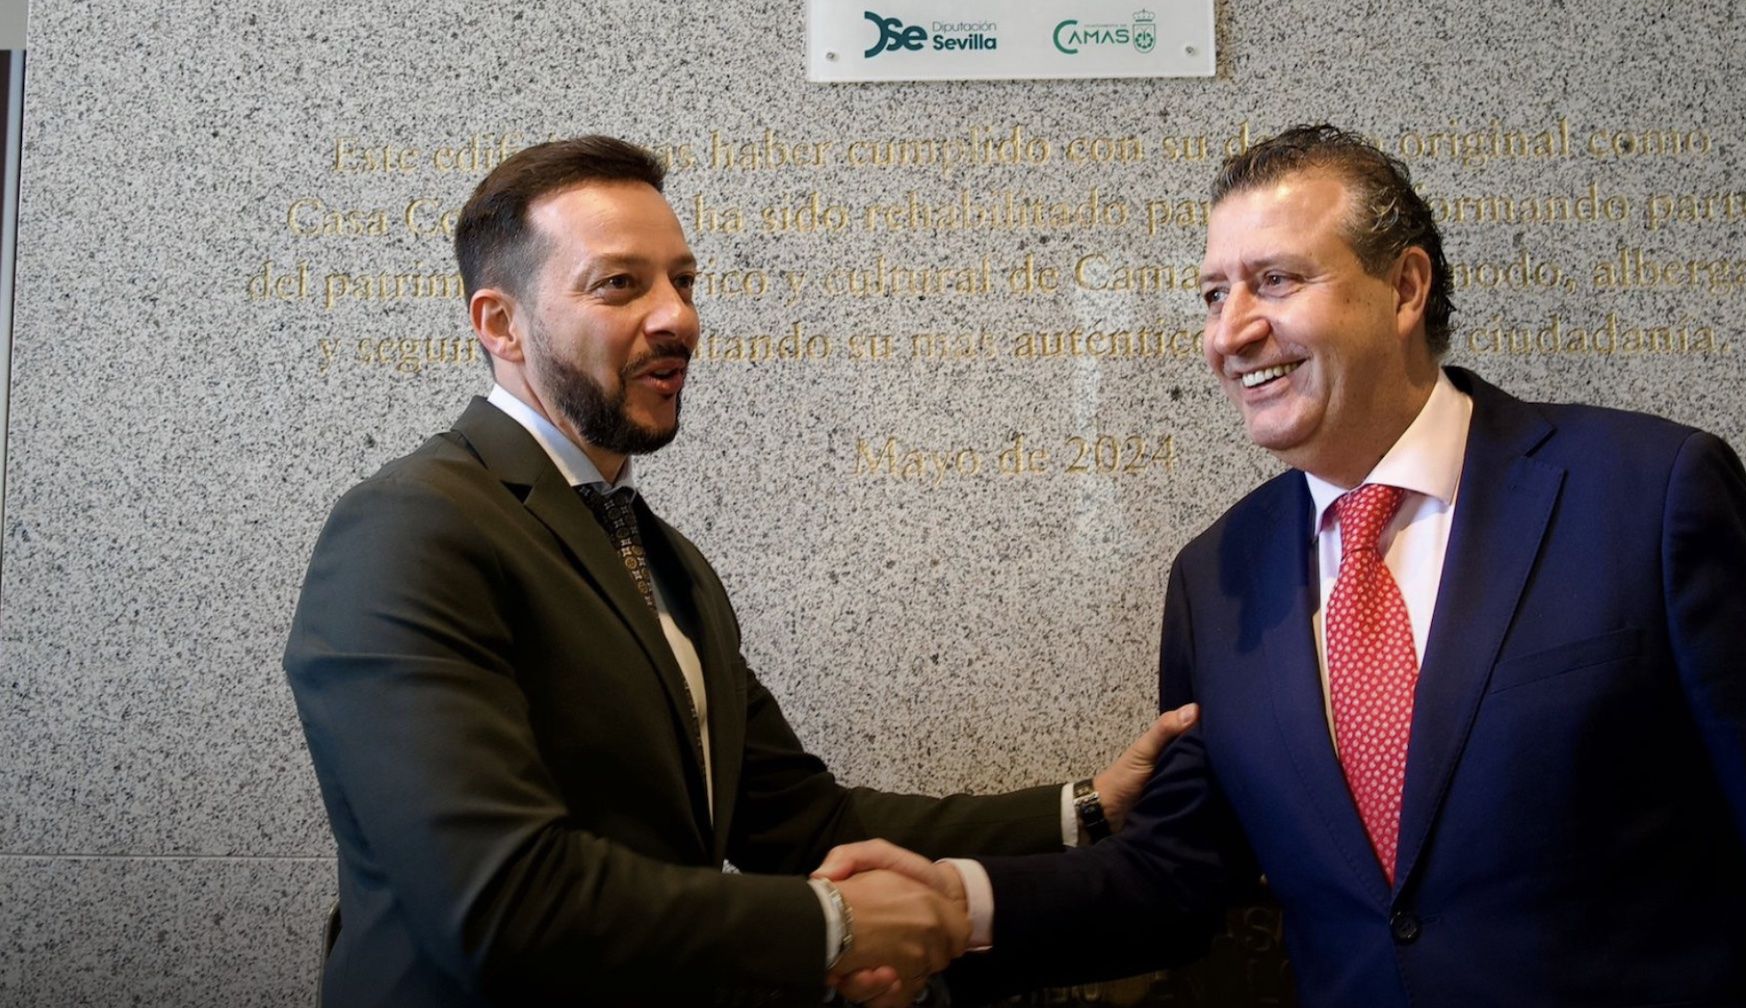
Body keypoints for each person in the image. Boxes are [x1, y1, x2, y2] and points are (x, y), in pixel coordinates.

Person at [821, 124, 1746, 1006]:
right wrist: (958, 903)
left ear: (1404, 289)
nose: (1229, 331)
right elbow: (1175, 876)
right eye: (1214, 294)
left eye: (1274, 281)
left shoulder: (1646, 495)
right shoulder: (1218, 578)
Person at [284, 135, 1192, 1007]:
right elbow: (496, 900)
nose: (677, 315)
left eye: (682, 281)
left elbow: (800, 823)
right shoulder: (412, 526)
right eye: (619, 285)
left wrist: (1086, 810)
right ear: (500, 323)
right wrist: (833, 924)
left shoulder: (664, 558)